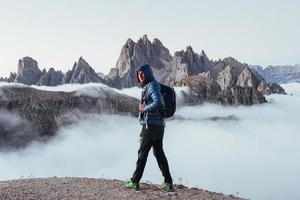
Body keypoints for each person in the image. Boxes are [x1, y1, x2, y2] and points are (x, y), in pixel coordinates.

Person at [125, 64, 173, 192]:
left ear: (148, 73)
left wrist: (144, 108)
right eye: (138, 74)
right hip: (159, 126)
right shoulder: (151, 85)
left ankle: (134, 181)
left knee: (142, 154)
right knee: (159, 154)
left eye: (142, 73)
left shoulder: (152, 85)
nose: (140, 75)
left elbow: (157, 102)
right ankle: (168, 182)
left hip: (150, 125)